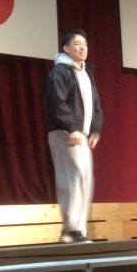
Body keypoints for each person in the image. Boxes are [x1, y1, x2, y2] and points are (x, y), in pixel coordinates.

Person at [45, 29, 103, 243]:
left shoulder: (85, 73)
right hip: (66, 133)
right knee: (72, 178)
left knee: (85, 180)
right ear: (66, 48)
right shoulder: (60, 73)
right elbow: (56, 103)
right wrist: (71, 127)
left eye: (85, 44)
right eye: (77, 44)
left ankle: (77, 229)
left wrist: (95, 129)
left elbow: (94, 104)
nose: (83, 47)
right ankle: (71, 229)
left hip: (81, 135)